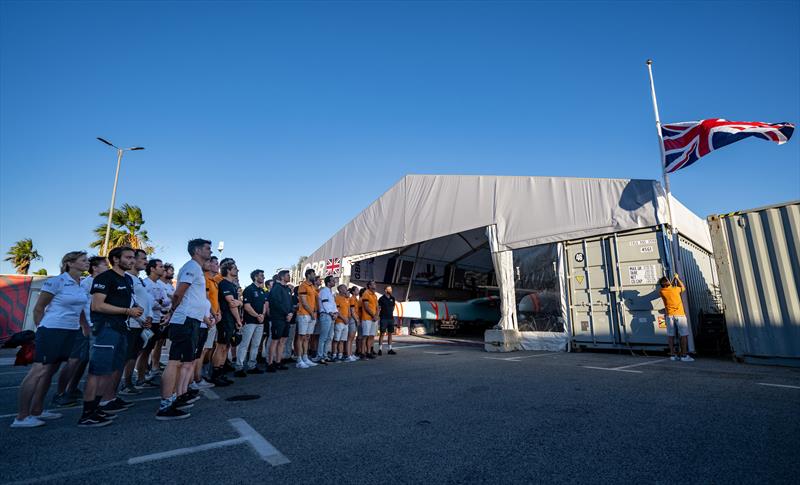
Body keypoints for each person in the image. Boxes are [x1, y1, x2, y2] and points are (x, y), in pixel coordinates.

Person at [12, 252, 90, 428]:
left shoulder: (80, 285)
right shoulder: (56, 281)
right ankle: (21, 417)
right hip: (52, 330)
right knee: (38, 371)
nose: (87, 263)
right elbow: (39, 308)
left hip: (70, 331)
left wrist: (85, 327)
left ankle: (37, 410)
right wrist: (41, 330)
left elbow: (81, 311)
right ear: (70, 263)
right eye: (83, 260)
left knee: (50, 372)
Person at [80, 246, 142, 427]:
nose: (132, 260)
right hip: (105, 328)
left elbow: (128, 302)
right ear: (115, 259)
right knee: (97, 372)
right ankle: (87, 414)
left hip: (121, 328)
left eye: (133, 258)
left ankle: (98, 407)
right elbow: (97, 306)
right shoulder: (104, 277)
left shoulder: (128, 280)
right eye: (128, 257)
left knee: (110, 371)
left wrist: (136, 311)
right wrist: (127, 311)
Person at [156, 239, 211, 421]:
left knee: (187, 361)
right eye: (207, 248)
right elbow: (179, 293)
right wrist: (172, 313)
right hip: (184, 320)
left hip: (193, 320)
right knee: (175, 362)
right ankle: (165, 404)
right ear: (196, 250)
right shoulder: (191, 266)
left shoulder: (197, 269)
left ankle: (179, 395)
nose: (210, 251)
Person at [51, 255, 107, 407]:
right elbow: (80, 306)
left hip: (92, 325)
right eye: (104, 265)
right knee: (74, 360)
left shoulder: (98, 282)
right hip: (82, 326)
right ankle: (60, 393)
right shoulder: (87, 283)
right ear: (95, 268)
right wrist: (84, 325)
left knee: (83, 360)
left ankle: (73, 388)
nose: (107, 267)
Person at [120, 249, 153, 396]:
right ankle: (123, 384)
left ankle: (128, 382)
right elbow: (129, 302)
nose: (146, 261)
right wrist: (141, 319)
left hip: (141, 324)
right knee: (127, 355)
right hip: (132, 323)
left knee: (134, 354)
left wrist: (149, 317)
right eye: (143, 258)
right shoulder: (126, 277)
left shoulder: (138, 280)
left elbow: (147, 301)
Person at [210, 259, 243, 385]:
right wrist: (238, 320)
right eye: (234, 268)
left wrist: (239, 302)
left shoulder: (232, 285)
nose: (237, 270)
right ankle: (215, 374)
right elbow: (231, 303)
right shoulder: (224, 284)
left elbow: (237, 302)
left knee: (227, 346)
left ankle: (221, 372)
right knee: (221, 346)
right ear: (228, 270)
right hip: (225, 320)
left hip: (230, 320)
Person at [139, 258, 170, 388]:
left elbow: (166, 302)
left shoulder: (159, 285)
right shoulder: (145, 284)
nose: (163, 268)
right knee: (144, 350)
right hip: (148, 321)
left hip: (158, 320)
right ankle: (140, 378)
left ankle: (145, 375)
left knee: (150, 349)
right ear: (152, 268)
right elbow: (149, 303)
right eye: (160, 266)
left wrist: (161, 303)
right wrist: (161, 303)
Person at [237, 269, 268, 376]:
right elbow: (247, 306)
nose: (263, 277)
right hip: (250, 321)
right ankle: (239, 367)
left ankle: (252, 365)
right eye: (261, 276)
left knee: (255, 344)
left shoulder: (262, 290)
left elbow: (264, 304)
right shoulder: (249, 289)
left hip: (260, 322)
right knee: (244, 344)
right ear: (255, 277)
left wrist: (263, 315)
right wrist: (257, 315)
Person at [148, 263, 175, 381]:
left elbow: (170, 300)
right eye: (169, 270)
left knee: (161, 342)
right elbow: (161, 301)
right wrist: (164, 301)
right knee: (154, 344)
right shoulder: (157, 284)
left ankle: (156, 363)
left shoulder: (170, 286)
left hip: (167, 315)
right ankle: (152, 366)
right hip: (158, 316)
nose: (171, 272)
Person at [659, 274, 694, 362]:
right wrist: (677, 278)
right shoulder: (675, 289)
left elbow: (668, 287)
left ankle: (672, 355)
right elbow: (683, 287)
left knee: (670, 335)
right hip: (680, 315)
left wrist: (670, 282)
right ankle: (684, 355)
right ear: (667, 282)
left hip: (669, 315)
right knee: (683, 335)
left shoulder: (662, 291)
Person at [267, 270, 293, 372]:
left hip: (287, 318)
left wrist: (290, 313)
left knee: (283, 341)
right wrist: (286, 313)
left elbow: (290, 303)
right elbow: (276, 303)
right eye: (288, 275)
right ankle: (270, 363)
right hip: (278, 318)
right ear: (282, 277)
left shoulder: (287, 289)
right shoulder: (276, 288)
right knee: (275, 341)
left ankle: (278, 361)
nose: (289, 276)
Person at [295, 269, 319, 369]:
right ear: (308, 275)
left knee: (307, 337)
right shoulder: (303, 286)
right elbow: (304, 302)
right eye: (313, 274)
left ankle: (305, 358)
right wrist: (311, 312)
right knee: (301, 337)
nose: (315, 275)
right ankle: (299, 359)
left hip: (312, 315)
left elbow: (316, 300)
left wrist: (315, 312)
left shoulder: (313, 287)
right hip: (304, 314)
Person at [315, 275, 337, 363]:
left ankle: (325, 354)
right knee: (323, 337)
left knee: (329, 337)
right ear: (328, 282)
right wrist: (332, 313)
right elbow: (325, 304)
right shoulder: (324, 291)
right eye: (333, 281)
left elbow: (333, 305)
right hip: (326, 315)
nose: (334, 282)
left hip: (331, 316)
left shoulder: (330, 292)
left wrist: (336, 313)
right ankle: (320, 356)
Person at [333, 284, 354, 362]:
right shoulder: (337, 298)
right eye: (344, 288)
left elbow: (348, 310)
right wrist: (344, 318)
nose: (346, 289)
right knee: (336, 340)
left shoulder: (346, 298)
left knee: (342, 340)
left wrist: (348, 318)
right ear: (340, 290)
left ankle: (340, 355)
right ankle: (334, 355)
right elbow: (337, 311)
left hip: (346, 322)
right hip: (339, 322)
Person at [360, 281, 379, 358]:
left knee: (371, 336)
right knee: (365, 336)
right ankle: (362, 353)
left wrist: (376, 315)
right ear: (369, 286)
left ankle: (368, 352)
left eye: (375, 284)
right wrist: (373, 315)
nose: (375, 285)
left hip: (374, 318)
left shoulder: (375, 295)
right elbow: (366, 307)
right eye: (373, 284)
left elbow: (377, 307)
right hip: (367, 318)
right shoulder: (366, 294)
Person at [378, 285, 397, 355]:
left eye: (391, 289)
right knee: (382, 334)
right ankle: (380, 349)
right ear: (385, 290)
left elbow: (393, 307)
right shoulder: (381, 299)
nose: (391, 290)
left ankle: (390, 349)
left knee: (390, 333)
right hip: (383, 318)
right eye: (389, 289)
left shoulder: (393, 298)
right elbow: (379, 308)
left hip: (391, 318)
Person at [348, 287, 360, 360]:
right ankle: (348, 355)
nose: (358, 291)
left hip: (355, 318)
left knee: (352, 338)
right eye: (357, 290)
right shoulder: (352, 299)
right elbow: (352, 311)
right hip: (353, 319)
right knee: (350, 338)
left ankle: (351, 353)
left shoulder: (356, 299)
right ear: (353, 292)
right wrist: (357, 320)